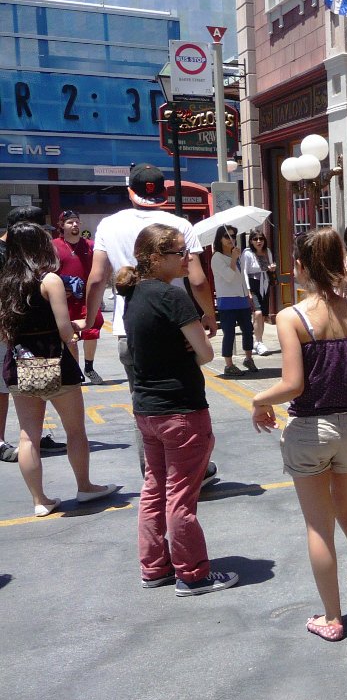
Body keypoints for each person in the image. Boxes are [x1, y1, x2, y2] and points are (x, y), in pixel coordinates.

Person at [251, 227, 347, 641]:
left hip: (310, 429)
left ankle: (332, 619)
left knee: (319, 527)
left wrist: (259, 399)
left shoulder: (291, 318)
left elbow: (292, 385)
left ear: (300, 266)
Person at [116, 223, 238, 596]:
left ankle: (154, 567)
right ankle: (193, 573)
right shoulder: (173, 297)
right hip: (181, 409)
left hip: (147, 409)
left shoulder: (133, 293)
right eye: (179, 253)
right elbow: (206, 353)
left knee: (154, 489)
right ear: (155, 257)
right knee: (181, 495)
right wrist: (189, 349)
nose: (187, 258)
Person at [84, 163, 219, 486]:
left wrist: (88, 322)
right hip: (177, 328)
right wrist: (209, 316)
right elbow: (198, 281)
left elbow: (97, 279)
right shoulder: (179, 225)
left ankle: (154, 476)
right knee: (181, 400)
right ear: (163, 193)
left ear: (130, 190)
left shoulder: (109, 224)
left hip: (129, 327)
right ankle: (188, 473)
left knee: (143, 404)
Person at [0, 223, 118, 516]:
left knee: (28, 435)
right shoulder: (49, 280)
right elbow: (65, 331)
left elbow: (3, 333)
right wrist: (76, 329)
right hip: (55, 362)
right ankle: (85, 486)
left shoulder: (5, 282)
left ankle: (40, 500)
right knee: (75, 430)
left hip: (20, 364)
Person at [0, 206, 69, 463]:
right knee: (3, 387)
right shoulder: (4, 254)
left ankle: (34, 437)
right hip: (11, 334)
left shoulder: (15, 252)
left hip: (22, 337)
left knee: (31, 391)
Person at [53, 210, 104, 384]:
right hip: (64, 299)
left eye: (76, 221)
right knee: (69, 336)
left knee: (92, 330)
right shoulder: (53, 246)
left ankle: (89, 367)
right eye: (70, 222)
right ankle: (74, 371)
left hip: (87, 298)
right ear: (62, 225)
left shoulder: (90, 245)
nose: (75, 224)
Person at [211, 227, 257, 376]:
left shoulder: (236, 253)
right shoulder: (217, 257)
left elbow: (242, 277)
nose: (231, 239)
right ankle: (229, 364)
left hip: (242, 298)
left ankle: (248, 358)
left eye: (233, 235)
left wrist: (248, 294)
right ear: (219, 239)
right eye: (227, 236)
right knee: (229, 333)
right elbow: (229, 277)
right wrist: (233, 259)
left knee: (248, 330)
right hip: (227, 301)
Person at [242, 228, 274, 356]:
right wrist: (247, 290)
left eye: (261, 239)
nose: (259, 241)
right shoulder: (247, 253)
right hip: (253, 284)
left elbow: (269, 267)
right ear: (251, 241)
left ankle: (258, 341)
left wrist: (271, 268)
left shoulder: (267, 251)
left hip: (265, 284)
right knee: (258, 312)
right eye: (255, 239)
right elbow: (244, 271)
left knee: (263, 315)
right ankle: (259, 341)